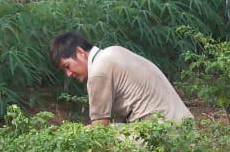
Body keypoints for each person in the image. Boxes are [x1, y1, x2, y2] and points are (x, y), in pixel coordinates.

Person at [50, 31, 192, 125]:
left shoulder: (98, 71)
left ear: (80, 52)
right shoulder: (115, 52)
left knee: (96, 138)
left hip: (163, 136)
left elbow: (99, 129)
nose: (68, 74)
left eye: (67, 66)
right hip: (186, 131)